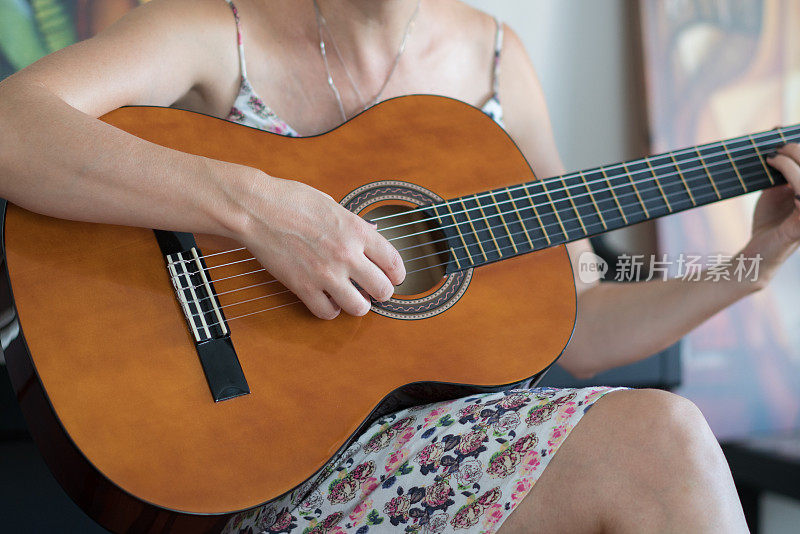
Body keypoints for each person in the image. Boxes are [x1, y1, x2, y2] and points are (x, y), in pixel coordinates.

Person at [2, 1, 799, 532]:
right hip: (247, 463)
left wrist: (749, 266)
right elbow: (12, 124)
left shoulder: (495, 60)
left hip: (442, 443)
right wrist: (259, 209)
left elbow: (579, 317)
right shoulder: (218, 26)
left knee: (660, 443)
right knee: (661, 440)